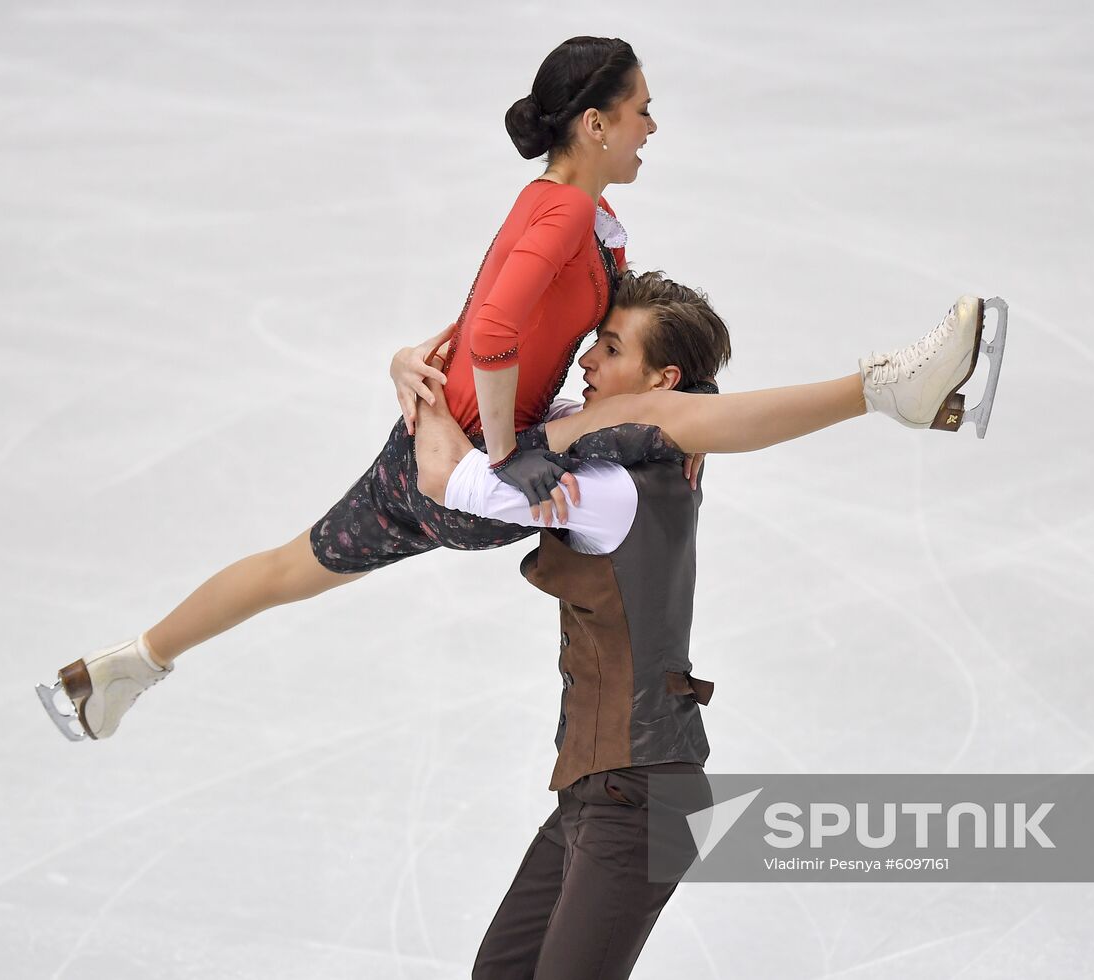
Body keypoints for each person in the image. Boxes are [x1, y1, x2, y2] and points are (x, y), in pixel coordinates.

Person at [33, 35, 676, 741]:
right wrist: (502, 452)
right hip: (466, 475)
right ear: (596, 124)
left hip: (420, 457)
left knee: (291, 565)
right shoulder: (564, 215)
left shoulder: (553, 204)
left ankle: (127, 666)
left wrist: (412, 356)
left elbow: (495, 316)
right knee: (649, 477)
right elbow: (494, 330)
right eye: (641, 110)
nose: (650, 126)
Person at [408, 270, 1005, 979]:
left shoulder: (611, 491)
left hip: (637, 798)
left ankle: (882, 388)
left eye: (609, 347)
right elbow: (559, 421)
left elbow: (450, 479)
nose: (586, 361)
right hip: (596, 793)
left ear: (662, 379)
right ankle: (887, 392)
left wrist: (425, 392)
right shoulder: (639, 450)